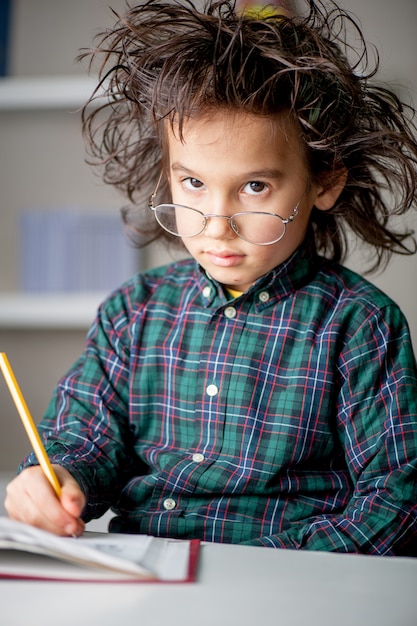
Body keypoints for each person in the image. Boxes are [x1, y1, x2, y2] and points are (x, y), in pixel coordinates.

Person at [5, 0, 417, 555]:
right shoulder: (133, 311)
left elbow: (397, 500)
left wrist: (291, 571)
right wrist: (58, 481)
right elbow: (86, 437)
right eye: (193, 183)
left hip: (292, 584)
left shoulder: (360, 325)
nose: (217, 226)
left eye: (254, 188)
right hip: (146, 575)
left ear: (324, 183)